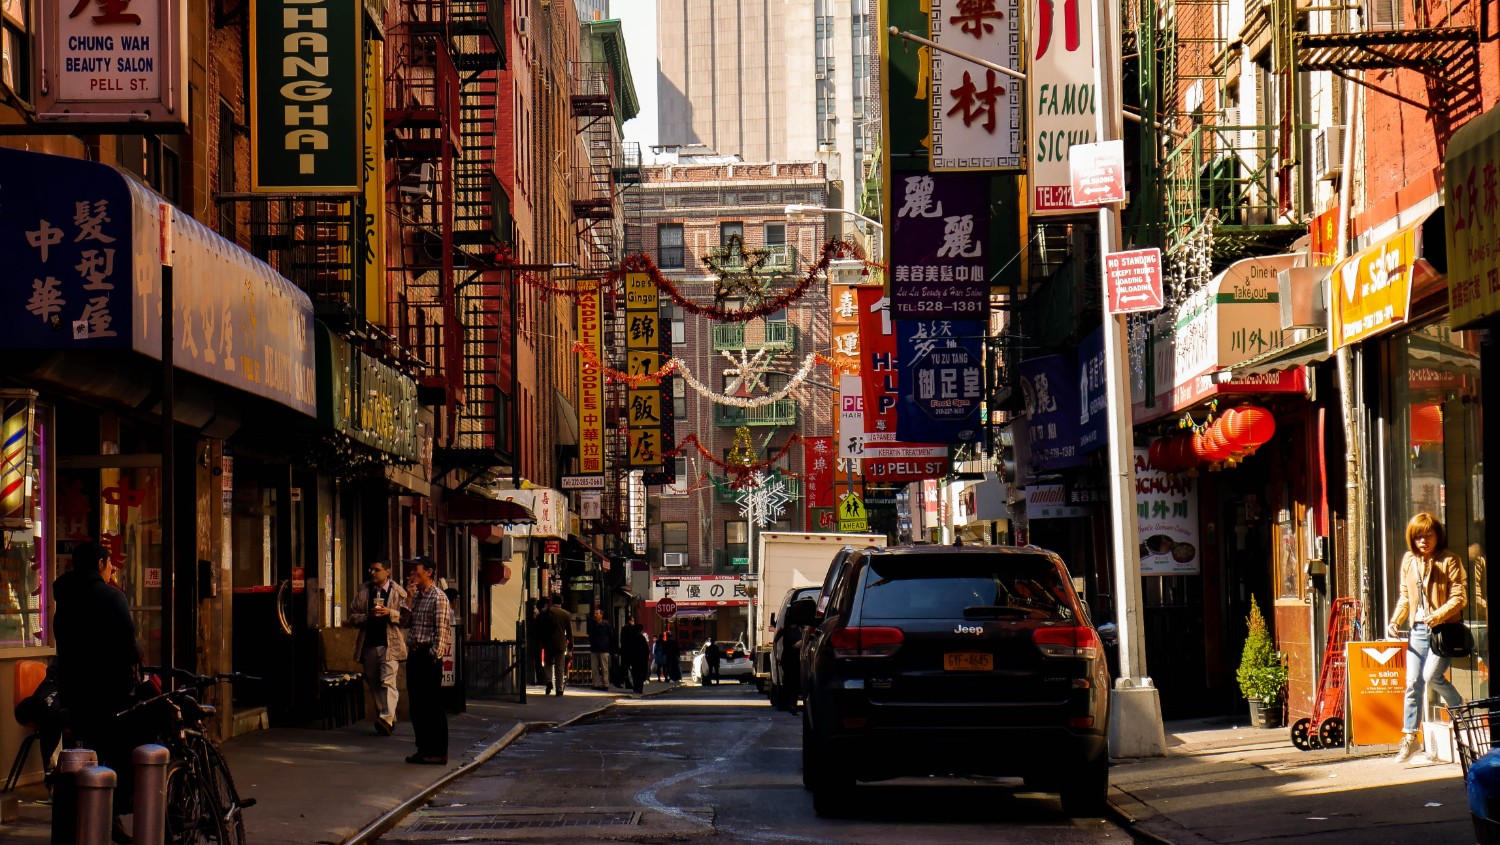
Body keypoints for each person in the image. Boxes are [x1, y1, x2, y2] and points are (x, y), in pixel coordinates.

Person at [52, 540, 140, 841]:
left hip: (75, 692)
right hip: (110, 692)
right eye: (109, 562)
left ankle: (83, 817)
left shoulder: (64, 598)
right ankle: (110, 813)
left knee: (83, 751)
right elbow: (128, 643)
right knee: (115, 752)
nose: (112, 567)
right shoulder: (110, 597)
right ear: (100, 564)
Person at [1385, 512, 1467, 763]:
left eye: (1427, 535)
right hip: (1418, 630)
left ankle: (1462, 716)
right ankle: (1410, 737)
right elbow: (1405, 596)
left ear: (1437, 535)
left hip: (1443, 630)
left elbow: (1459, 597)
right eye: (1418, 536)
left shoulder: (1450, 560)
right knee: (1412, 682)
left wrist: (1439, 615)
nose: (1423, 540)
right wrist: (1395, 621)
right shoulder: (1409, 561)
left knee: (1431, 675)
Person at [402, 556, 453, 765]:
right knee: (417, 705)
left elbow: (442, 632)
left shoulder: (438, 597)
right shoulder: (418, 597)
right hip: (414, 653)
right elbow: (405, 622)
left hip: (428, 657)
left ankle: (439, 751)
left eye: (416, 570)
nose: (412, 574)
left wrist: (433, 655)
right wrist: (408, 599)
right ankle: (422, 748)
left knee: (431, 705)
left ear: (429, 572)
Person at [349, 560, 407, 736]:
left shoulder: (399, 593)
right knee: (374, 681)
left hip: (390, 644)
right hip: (369, 644)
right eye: (371, 569)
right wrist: (367, 616)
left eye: (377, 569)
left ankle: (386, 717)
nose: (372, 572)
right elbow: (352, 617)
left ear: (387, 571)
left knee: (388, 681)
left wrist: (390, 613)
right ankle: (387, 717)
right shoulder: (363, 593)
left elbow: (406, 618)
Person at [534, 596, 573, 696]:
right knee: (560, 666)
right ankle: (559, 689)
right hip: (560, 643)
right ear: (562, 602)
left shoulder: (544, 611)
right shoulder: (566, 614)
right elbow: (569, 632)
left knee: (548, 662)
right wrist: (570, 645)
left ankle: (548, 681)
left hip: (547, 642)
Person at [587, 609, 616, 691]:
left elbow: (611, 636)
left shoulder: (606, 624)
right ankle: (596, 683)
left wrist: (610, 648)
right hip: (594, 648)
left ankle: (605, 684)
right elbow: (590, 635)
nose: (595, 615)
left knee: (604, 668)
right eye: (595, 613)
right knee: (594, 668)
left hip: (604, 648)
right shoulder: (592, 624)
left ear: (601, 615)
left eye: (597, 613)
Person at [619, 616, 650, 693]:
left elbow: (628, 647)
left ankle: (636, 687)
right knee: (640, 674)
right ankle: (640, 688)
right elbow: (646, 649)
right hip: (641, 659)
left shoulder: (632, 638)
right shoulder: (642, 638)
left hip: (634, 659)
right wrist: (646, 657)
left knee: (635, 674)